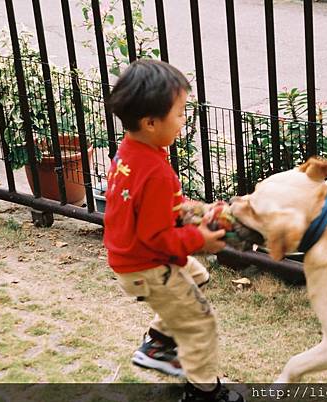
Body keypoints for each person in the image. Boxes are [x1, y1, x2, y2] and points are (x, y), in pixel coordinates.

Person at [104, 59, 243, 402]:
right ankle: (204, 392)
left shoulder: (132, 152)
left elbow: (158, 211)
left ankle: (159, 343)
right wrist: (202, 239)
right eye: (180, 114)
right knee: (200, 322)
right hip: (148, 264)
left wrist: (201, 211)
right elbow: (158, 237)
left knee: (194, 276)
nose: (184, 121)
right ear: (151, 122)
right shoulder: (154, 171)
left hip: (132, 258)